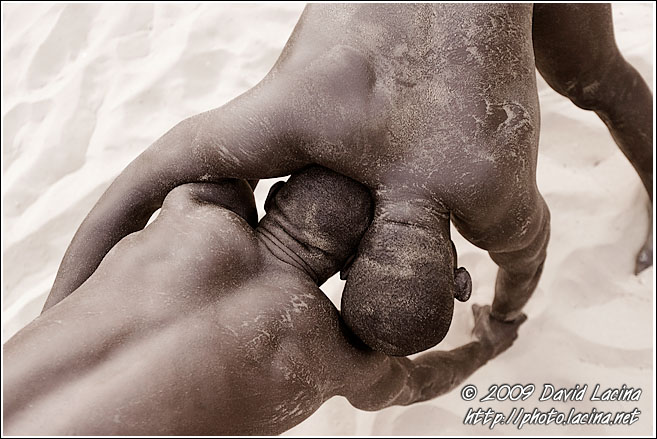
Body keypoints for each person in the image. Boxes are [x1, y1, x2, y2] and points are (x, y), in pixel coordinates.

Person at [41, 4, 652, 356]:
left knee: (592, 77)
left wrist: (507, 317)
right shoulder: (304, 113)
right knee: (594, 78)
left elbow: (525, 263)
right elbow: (141, 180)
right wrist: (57, 325)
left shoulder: (496, 191)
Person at [3, 167, 526, 435]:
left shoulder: (197, 207)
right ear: (349, 272)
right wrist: (484, 347)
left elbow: (130, 193)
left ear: (270, 198)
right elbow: (414, 384)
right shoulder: (330, 357)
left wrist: (59, 316)